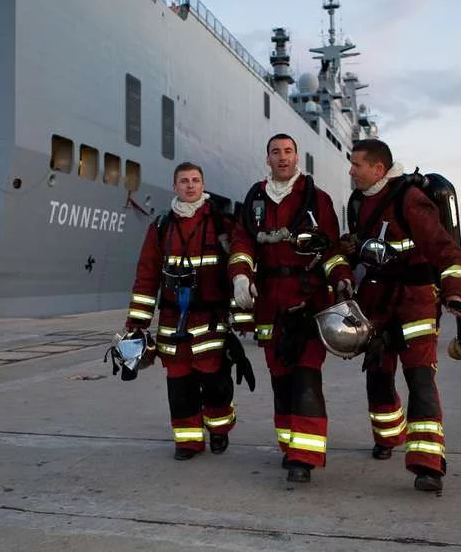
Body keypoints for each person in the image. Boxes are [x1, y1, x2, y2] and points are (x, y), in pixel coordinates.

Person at [344, 139, 461, 492]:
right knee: (378, 378)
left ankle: (428, 465)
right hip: (375, 305)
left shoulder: (409, 200)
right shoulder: (359, 202)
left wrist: (456, 294)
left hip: (414, 304)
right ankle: (387, 437)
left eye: (356, 165)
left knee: (420, 381)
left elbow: (447, 253)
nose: (351, 171)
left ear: (378, 169)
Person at [229, 133, 354, 483]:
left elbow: (330, 249)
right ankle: (289, 444)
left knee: (306, 376)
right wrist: (240, 275)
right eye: (275, 152)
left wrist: (341, 277)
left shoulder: (317, 200)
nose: (282, 158)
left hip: (308, 298)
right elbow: (242, 242)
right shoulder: (255, 198)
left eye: (288, 152)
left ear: (297, 158)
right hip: (269, 303)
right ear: (267, 159)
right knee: (280, 376)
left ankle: (305, 456)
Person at [124, 162, 246, 460]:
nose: (190, 186)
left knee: (216, 385)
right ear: (175, 186)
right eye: (184, 181)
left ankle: (218, 430)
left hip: (211, 322)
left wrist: (243, 317)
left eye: (195, 180)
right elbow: (147, 275)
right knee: (179, 387)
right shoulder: (161, 227)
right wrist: (137, 322)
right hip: (171, 323)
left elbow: (237, 271)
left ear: (203, 185)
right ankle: (188, 442)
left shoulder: (222, 225)